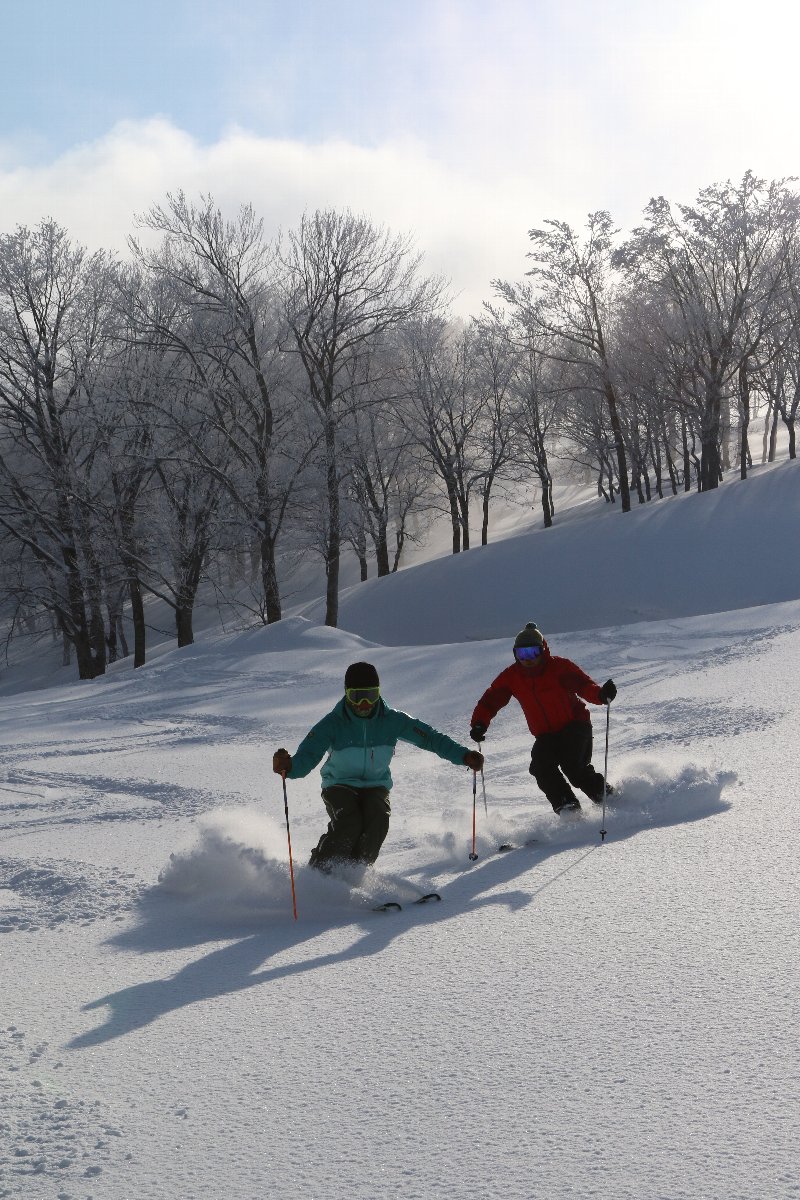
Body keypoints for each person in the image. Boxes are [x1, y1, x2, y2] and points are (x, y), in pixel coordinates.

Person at [273, 661, 484, 870]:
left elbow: (431, 738)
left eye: (371, 695)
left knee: (378, 820)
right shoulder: (333, 723)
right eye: (357, 696)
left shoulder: (392, 720)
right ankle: (320, 872)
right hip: (339, 784)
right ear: (346, 693)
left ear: (379, 693)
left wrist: (463, 756)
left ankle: (355, 873)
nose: (364, 703)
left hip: (376, 785)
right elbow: (308, 754)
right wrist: (289, 767)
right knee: (349, 823)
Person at [470, 622, 617, 815]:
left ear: (543, 650)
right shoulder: (512, 676)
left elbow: (583, 685)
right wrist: (479, 724)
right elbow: (491, 700)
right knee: (540, 767)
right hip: (546, 735)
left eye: (533, 653)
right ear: (515, 654)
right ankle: (568, 807)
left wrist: (600, 695)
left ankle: (609, 798)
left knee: (574, 768)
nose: (528, 659)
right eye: (522, 654)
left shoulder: (559, 667)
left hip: (574, 725)